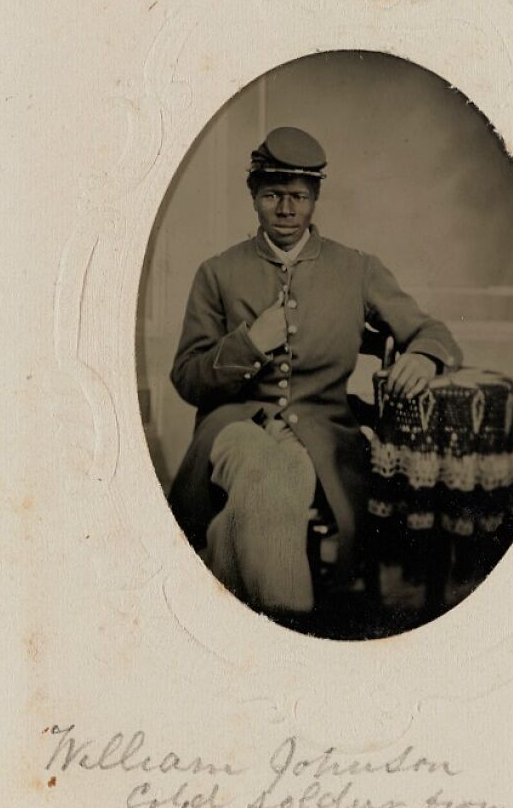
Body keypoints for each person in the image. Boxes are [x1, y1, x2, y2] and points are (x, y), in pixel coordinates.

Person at [168, 126, 461, 622]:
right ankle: (289, 619)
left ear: (316, 198)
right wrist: (251, 342)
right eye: (272, 196)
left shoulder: (357, 268)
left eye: (299, 197)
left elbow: (433, 332)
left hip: (322, 434)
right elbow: (188, 378)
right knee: (262, 473)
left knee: (269, 488)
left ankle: (228, 597)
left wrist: (423, 356)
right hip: (233, 427)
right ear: (253, 196)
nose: (286, 210)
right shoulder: (216, 273)